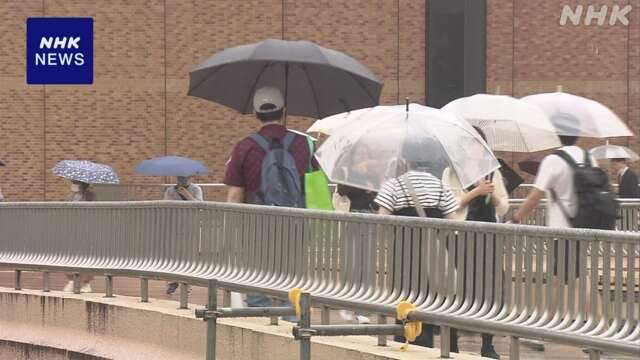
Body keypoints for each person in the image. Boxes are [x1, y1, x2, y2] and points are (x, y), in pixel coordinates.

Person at [224, 86, 313, 310]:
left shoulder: (245, 146)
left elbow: (235, 195)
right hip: (295, 226)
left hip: (257, 227)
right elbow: (313, 187)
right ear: (284, 111)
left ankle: (259, 325)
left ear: (255, 114)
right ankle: (293, 330)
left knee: (258, 282)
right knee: (293, 286)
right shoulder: (303, 144)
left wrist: (232, 230)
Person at [374, 140, 459, 350]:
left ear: (404, 160)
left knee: (405, 302)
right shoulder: (440, 186)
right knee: (431, 300)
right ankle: (431, 347)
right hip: (433, 255)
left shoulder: (394, 185)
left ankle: (407, 345)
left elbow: (381, 221)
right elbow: (455, 225)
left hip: (403, 255)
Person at [441, 126, 508, 359]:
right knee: (462, 288)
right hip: (460, 236)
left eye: (480, 144)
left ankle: (488, 343)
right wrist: (475, 192)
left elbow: (504, 207)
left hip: (488, 236)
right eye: (472, 143)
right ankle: (451, 340)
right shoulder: (452, 172)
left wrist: (492, 194)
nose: (476, 149)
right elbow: (449, 205)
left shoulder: (493, 171)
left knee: (491, 289)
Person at [164, 176, 203, 295]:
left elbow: (200, 205)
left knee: (188, 256)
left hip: (190, 226)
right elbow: (165, 205)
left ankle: (187, 284)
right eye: (180, 177)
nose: (182, 180)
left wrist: (187, 195)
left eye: (184, 177)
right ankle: (173, 282)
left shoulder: (196, 189)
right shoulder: (170, 190)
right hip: (174, 225)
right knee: (173, 255)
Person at [62, 180, 96, 292]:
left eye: (75, 182)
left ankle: (85, 282)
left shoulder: (90, 195)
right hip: (73, 229)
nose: (73, 184)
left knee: (86, 255)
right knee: (71, 255)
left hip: (86, 229)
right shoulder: (72, 196)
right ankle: (72, 279)